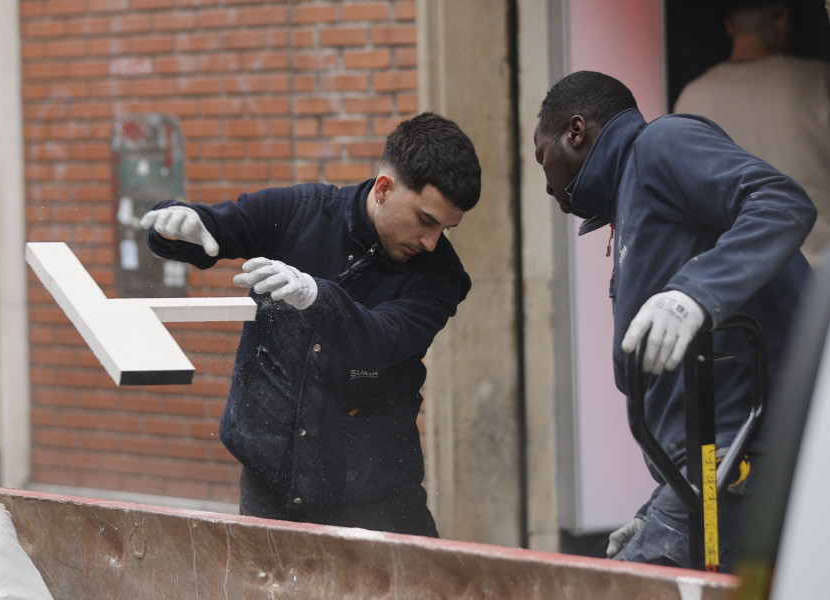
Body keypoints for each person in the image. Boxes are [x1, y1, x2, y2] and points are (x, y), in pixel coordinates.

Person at [140, 112, 482, 537]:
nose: (431, 241)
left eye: (446, 228)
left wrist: (315, 296)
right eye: (426, 220)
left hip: (375, 494)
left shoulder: (441, 276)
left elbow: (380, 340)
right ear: (384, 188)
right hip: (271, 483)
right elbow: (220, 226)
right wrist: (178, 225)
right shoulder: (302, 211)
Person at [533, 70, 815, 571]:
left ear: (574, 131)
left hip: (744, 454)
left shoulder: (660, 145)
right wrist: (657, 505)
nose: (546, 181)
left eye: (542, 158)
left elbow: (781, 202)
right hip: (709, 466)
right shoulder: (632, 194)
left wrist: (694, 294)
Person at [674, 0, 830, 266]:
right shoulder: (819, 81)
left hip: (736, 280)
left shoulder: (691, 100)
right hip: (819, 279)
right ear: (781, 19)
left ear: (729, 27)